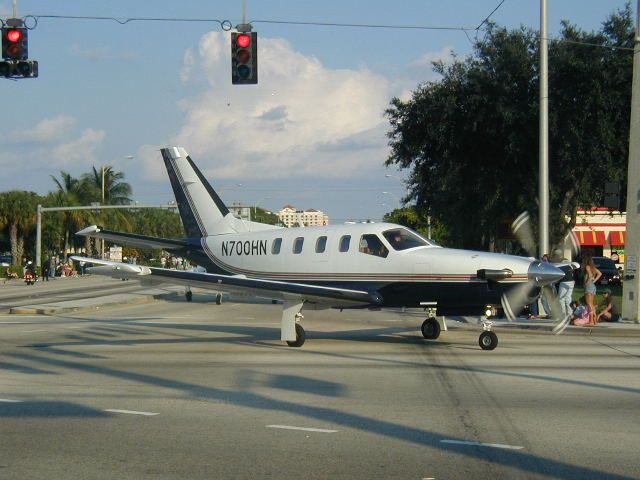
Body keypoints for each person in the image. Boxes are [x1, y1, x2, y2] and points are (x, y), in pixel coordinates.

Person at [582, 255, 602, 325]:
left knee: (589, 304)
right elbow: (600, 274)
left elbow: (590, 275)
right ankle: (594, 319)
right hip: (593, 286)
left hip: (589, 286)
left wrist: (586, 283)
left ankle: (591, 321)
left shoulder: (587, 267)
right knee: (591, 304)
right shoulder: (593, 267)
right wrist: (594, 281)